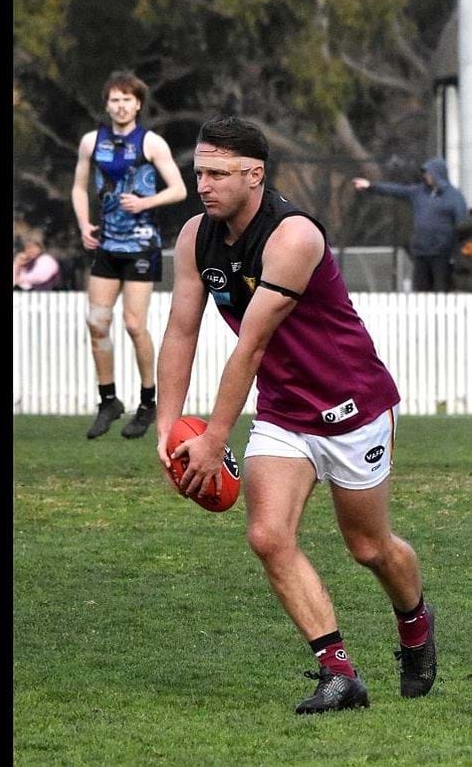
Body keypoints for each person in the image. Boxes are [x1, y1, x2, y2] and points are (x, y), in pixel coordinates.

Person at [157, 116, 434, 714]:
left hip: (349, 406)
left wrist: (215, 436)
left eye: (217, 173)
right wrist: (168, 427)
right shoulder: (194, 238)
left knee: (368, 546)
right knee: (267, 535)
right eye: (198, 171)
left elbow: (250, 345)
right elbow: (181, 329)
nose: (203, 184)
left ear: (254, 175)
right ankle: (339, 674)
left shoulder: (293, 237)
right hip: (283, 412)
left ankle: (414, 624)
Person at [71, 70, 186, 439]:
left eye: (127, 99)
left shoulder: (150, 143)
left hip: (140, 244)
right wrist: (84, 223)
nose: (120, 106)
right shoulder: (92, 141)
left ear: (138, 103)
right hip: (107, 244)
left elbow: (179, 189)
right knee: (96, 322)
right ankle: (109, 400)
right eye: (114, 100)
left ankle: (148, 402)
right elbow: (78, 187)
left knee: (134, 324)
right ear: (107, 105)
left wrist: (146, 202)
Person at [352, 159, 466, 292]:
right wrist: (371, 186)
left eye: (430, 173)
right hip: (420, 252)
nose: (427, 176)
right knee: (420, 290)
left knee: (440, 290)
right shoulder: (419, 193)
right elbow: (396, 190)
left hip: (442, 253)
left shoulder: (453, 196)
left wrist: (458, 251)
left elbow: (462, 223)